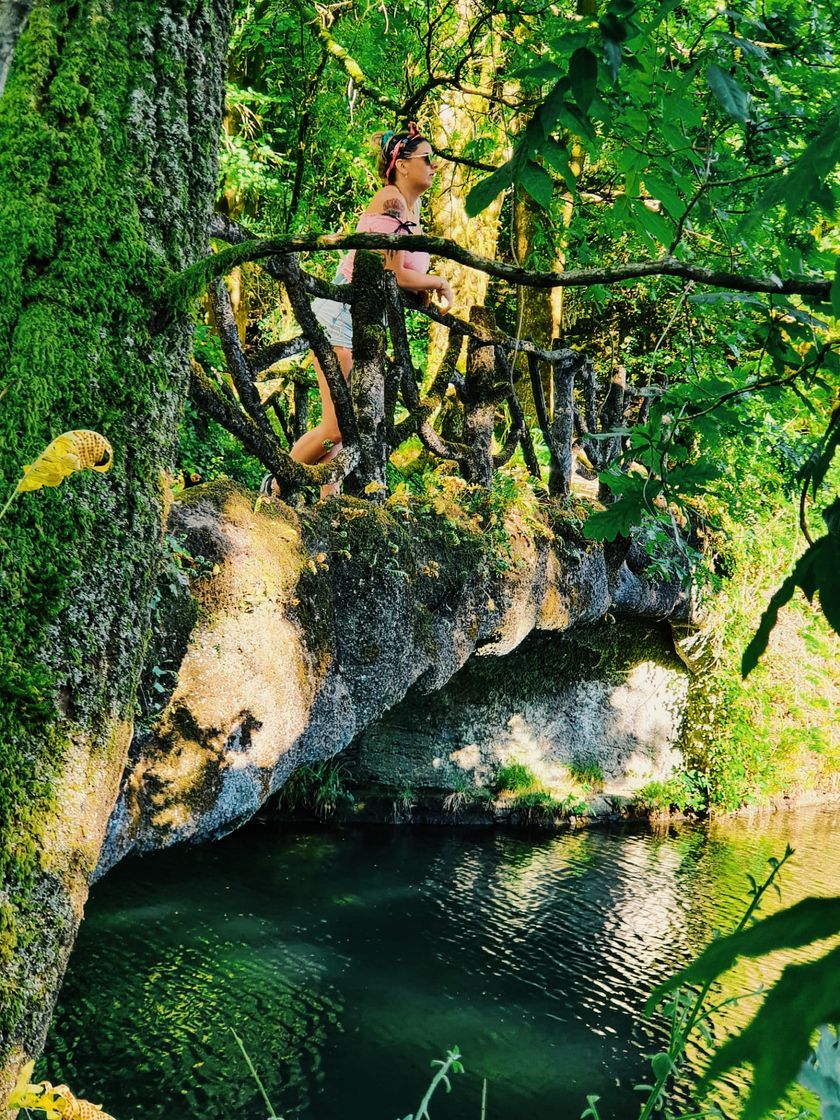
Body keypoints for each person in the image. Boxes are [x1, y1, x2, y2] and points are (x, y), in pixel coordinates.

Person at [285, 122, 455, 498]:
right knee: (336, 427)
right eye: (427, 158)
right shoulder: (391, 201)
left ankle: (328, 508)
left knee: (350, 426)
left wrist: (419, 292)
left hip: (363, 320)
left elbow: (398, 276)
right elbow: (389, 270)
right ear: (402, 165)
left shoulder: (410, 208)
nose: (434, 166)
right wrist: (438, 282)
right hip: (342, 317)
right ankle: (275, 489)